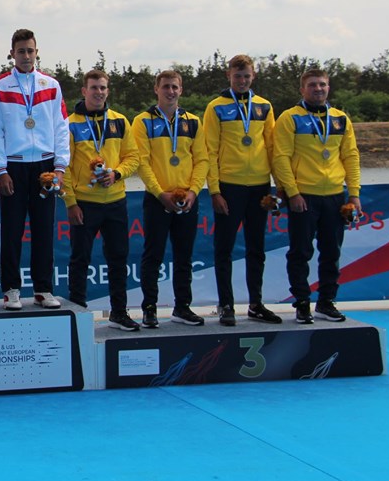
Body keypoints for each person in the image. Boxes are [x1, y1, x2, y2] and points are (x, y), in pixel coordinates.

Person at [0, 28, 69, 310]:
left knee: (44, 230)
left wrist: (60, 168)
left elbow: (61, 127)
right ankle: (11, 289)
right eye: (20, 51)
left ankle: (43, 289)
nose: (26, 56)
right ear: (12, 53)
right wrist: (0, 170)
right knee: (12, 232)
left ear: (37, 52)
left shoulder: (51, 85)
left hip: (45, 166)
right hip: (14, 166)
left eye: (30, 51)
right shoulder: (0, 86)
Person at [272, 68, 360, 323]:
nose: (318, 89)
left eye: (322, 84)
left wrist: (354, 194)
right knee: (300, 253)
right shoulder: (290, 118)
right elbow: (281, 158)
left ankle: (326, 302)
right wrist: (293, 192)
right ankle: (302, 303)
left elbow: (351, 157)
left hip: (335, 196)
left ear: (328, 87)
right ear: (302, 89)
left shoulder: (341, 119)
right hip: (304, 196)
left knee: (331, 252)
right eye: (312, 85)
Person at [203, 55, 281, 326]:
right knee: (224, 248)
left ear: (253, 76)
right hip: (229, 186)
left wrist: (279, 187)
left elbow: (272, 148)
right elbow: (209, 151)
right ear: (229, 76)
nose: (242, 81)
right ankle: (226, 305)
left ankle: (256, 304)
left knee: (256, 248)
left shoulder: (264, 106)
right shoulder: (216, 107)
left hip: (259, 187)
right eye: (238, 76)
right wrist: (215, 190)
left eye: (247, 76)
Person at [62, 69, 140, 330]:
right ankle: (77, 315)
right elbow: (64, 167)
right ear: (84, 91)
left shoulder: (120, 121)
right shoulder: (70, 123)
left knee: (118, 258)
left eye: (103, 88)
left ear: (108, 91)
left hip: (115, 201)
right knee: (80, 259)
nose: (99, 92)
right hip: (84, 204)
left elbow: (133, 157)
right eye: (94, 87)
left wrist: (116, 173)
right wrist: (71, 202)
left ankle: (119, 312)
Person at [132, 70, 208, 327]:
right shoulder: (142, 121)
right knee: (153, 255)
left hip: (187, 198)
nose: (170, 91)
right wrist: (159, 193)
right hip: (158, 199)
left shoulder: (193, 122)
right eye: (165, 86)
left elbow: (202, 160)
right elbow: (142, 162)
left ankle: (182, 307)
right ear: (156, 89)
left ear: (181, 90)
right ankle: (149, 308)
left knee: (184, 257)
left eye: (175, 87)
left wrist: (194, 191)